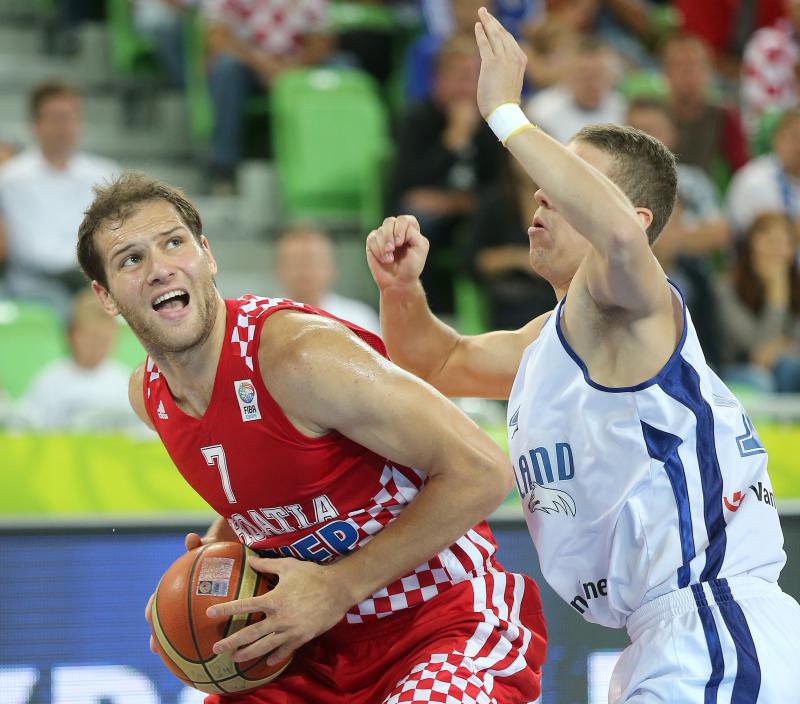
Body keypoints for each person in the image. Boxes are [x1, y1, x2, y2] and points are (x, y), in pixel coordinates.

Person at [367, 8, 800, 701]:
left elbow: (623, 247)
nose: (543, 189)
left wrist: (507, 113)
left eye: (569, 179)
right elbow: (434, 364)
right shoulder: (553, 337)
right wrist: (401, 290)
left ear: (630, 218)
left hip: (713, 623)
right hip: (662, 635)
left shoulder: (637, 304)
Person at [76, 172, 546, 703]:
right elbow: (265, 480)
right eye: (131, 260)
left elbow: (484, 471)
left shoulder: (299, 355)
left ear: (206, 255)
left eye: (173, 243)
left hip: (441, 618)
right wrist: (218, 548)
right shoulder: (150, 398)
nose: (160, 269)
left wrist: (338, 587)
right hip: (309, 642)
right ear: (106, 296)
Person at [0, 81, 118, 319]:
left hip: (92, 274)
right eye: (55, 118)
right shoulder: (10, 178)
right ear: (35, 124)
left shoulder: (105, 174)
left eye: (70, 117)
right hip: (34, 279)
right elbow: (28, 249)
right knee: (69, 306)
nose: (63, 127)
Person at [13, 288, 140, 432]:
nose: (97, 347)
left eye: (105, 340)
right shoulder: (50, 381)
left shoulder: (123, 383)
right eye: (91, 339)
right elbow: (28, 425)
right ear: (72, 335)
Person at [714, 212, 800, 394]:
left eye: (784, 243)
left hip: (782, 363)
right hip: (733, 369)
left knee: (792, 367)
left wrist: (781, 347)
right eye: (769, 242)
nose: (776, 251)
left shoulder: (796, 286)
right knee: (761, 380)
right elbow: (756, 351)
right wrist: (776, 296)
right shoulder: (726, 289)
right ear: (750, 246)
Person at [275, 223, 380, 335]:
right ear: (279, 268)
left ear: (331, 266)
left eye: (313, 261)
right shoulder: (261, 321)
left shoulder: (360, 319)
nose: (305, 270)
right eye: (296, 262)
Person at [726, 107, 800, 237]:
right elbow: (751, 238)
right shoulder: (752, 180)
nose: (798, 146)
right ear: (776, 140)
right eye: (794, 137)